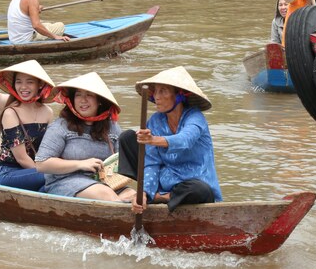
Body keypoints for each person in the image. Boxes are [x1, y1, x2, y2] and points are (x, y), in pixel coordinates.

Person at [116, 66, 222, 215]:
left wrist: (153, 140)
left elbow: (185, 140)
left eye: (163, 91)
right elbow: (151, 162)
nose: (156, 97)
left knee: (201, 190)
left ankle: (161, 197)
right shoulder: (155, 121)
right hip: (165, 179)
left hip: (192, 184)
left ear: (179, 96)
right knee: (127, 138)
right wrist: (144, 192)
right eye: (155, 91)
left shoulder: (195, 117)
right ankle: (153, 194)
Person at [35, 72, 134, 201]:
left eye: (89, 95)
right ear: (72, 100)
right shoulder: (61, 126)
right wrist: (81, 164)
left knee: (135, 196)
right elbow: (41, 164)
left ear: (99, 101)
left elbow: (122, 160)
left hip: (105, 181)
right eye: (78, 95)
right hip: (66, 181)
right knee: (106, 194)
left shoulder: (112, 126)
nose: (83, 100)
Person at [0, 60, 55, 191]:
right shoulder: (11, 112)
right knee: (55, 176)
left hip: (37, 171)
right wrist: (47, 171)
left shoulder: (48, 112)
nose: (23, 87)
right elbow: (22, 158)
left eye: (29, 82)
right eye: (19, 82)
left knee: (51, 183)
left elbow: (50, 149)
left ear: (40, 84)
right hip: (10, 173)